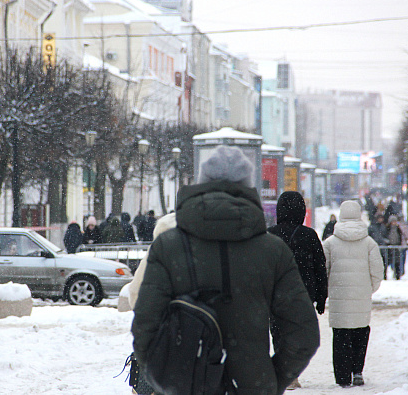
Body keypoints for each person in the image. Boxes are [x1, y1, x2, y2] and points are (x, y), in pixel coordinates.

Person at [132, 145, 320, 394]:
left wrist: (169, 381)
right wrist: (270, 378)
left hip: (188, 384)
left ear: (201, 184)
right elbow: (304, 334)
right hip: (251, 386)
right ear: (248, 188)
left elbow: (145, 327)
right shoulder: (273, 251)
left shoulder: (168, 247)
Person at [267, 190, 328, 390]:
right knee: (298, 334)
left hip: (276, 293)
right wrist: (321, 297)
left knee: (278, 332)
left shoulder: (270, 235)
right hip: (303, 293)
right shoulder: (309, 235)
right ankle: (292, 373)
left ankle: (285, 374)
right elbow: (320, 268)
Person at [322, 200, 384, 388]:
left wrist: (329, 289)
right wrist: (368, 289)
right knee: (360, 333)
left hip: (339, 299)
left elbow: (323, 271)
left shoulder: (330, 243)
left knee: (340, 336)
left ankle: (342, 376)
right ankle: (357, 371)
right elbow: (377, 272)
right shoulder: (369, 243)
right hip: (361, 297)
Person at [117, 213, 177, 395]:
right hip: (198, 338)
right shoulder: (202, 252)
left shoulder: (156, 254)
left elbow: (135, 295)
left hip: (160, 339)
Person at [368, 213, 388, 278]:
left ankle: (384, 275)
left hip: (383, 247)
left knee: (383, 262)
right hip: (374, 247)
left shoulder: (383, 226)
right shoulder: (372, 227)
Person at [386, 215, 404, 279]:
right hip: (389, 247)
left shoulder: (398, 229)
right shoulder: (387, 228)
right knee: (387, 262)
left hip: (396, 246)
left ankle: (397, 275)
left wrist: (399, 244)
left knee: (397, 262)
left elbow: (400, 237)